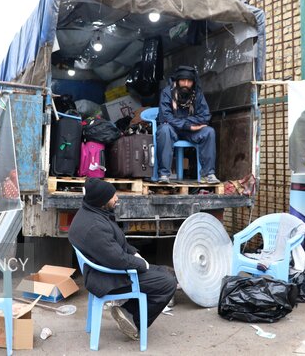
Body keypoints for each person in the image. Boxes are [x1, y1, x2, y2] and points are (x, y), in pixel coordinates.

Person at [68, 178, 177, 340]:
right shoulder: (94, 227)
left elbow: (118, 244)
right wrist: (141, 263)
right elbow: (117, 260)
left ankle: (129, 310)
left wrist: (134, 253)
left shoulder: (93, 212)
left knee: (167, 272)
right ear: (102, 200)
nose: (117, 198)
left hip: (105, 268)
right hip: (107, 279)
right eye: (113, 196)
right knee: (168, 283)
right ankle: (135, 318)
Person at [156, 65, 219, 184]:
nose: (186, 84)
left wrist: (187, 125)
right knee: (164, 129)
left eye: (189, 81)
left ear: (193, 82)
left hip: (192, 131)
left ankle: (208, 174)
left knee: (209, 131)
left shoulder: (198, 94)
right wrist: (187, 125)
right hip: (172, 130)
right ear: (177, 81)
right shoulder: (167, 93)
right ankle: (164, 174)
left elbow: (205, 116)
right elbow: (165, 117)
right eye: (183, 80)